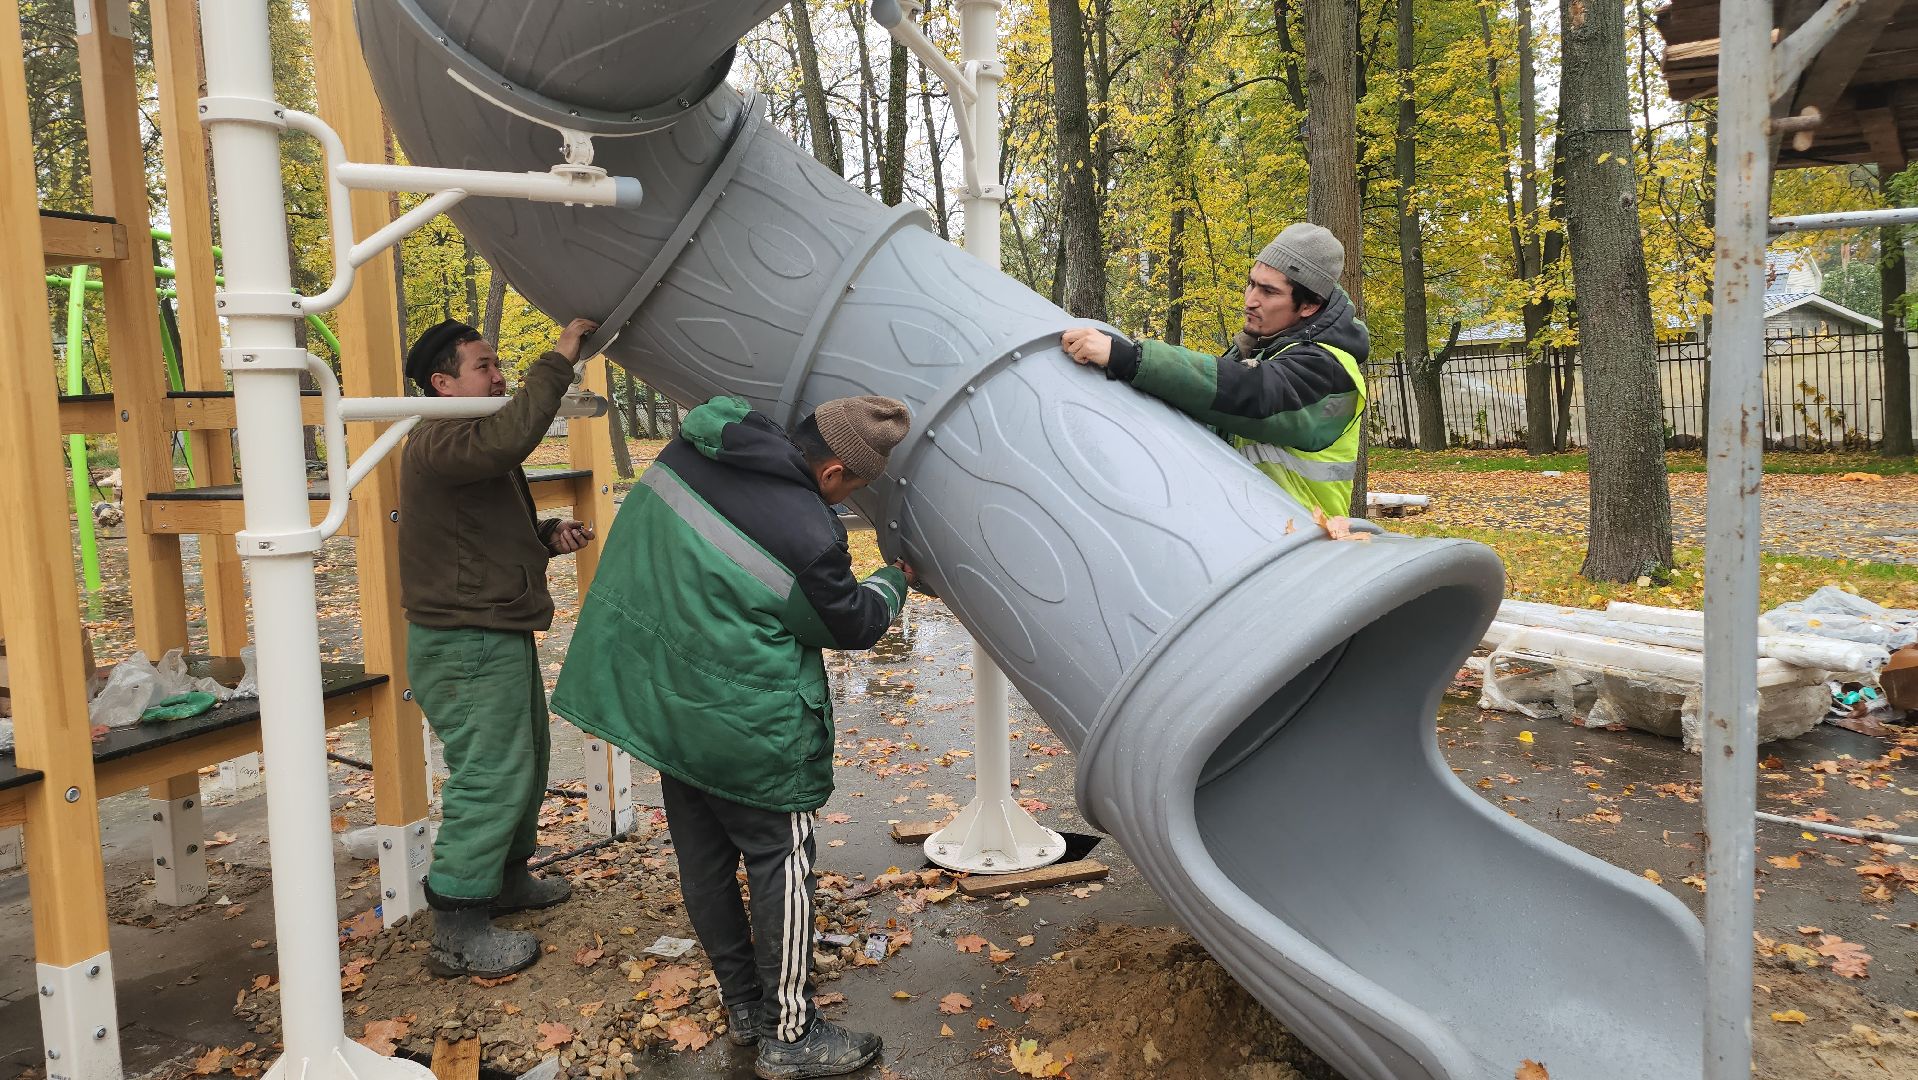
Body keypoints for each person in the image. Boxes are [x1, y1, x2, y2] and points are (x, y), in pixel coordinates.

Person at [553, 394, 915, 1079]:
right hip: (745, 726)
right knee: (782, 861)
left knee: (705, 860)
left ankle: (746, 1006)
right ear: (834, 470)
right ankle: (790, 1034)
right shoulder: (807, 533)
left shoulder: (694, 451)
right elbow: (848, 625)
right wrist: (892, 582)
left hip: (665, 706)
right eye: (856, 488)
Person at [399, 315, 599, 978]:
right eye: (484, 366)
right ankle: (456, 927)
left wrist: (543, 537)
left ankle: (506, 878)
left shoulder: (465, 440)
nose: (499, 376)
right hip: (463, 640)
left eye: (497, 365)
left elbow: (474, 534)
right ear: (442, 383)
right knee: (491, 773)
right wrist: (561, 356)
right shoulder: (439, 439)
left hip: (490, 627)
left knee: (525, 761)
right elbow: (512, 434)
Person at [1061, 222, 1369, 518]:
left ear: (1309, 306)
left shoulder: (1329, 368)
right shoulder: (1260, 348)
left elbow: (1251, 394)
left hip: (1303, 544)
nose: (1250, 300)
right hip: (1253, 530)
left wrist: (1130, 359)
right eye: (1251, 284)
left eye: (1269, 292)